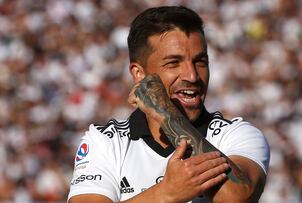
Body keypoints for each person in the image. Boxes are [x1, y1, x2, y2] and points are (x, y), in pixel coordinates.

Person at [68, 6, 270, 203]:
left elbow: (237, 197)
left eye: (200, 62)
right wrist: (166, 193)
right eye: (174, 63)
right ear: (139, 74)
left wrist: (167, 116)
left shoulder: (238, 135)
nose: (192, 75)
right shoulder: (105, 142)